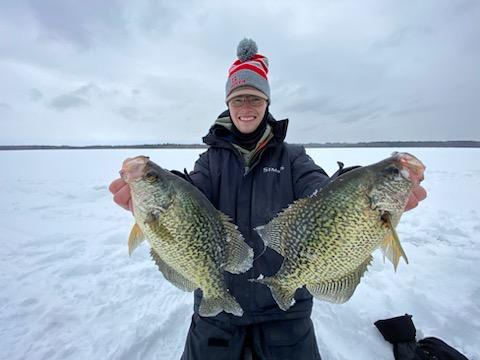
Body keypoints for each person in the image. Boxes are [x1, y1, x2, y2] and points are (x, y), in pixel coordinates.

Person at [109, 39, 427, 360]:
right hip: (218, 301)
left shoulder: (293, 157)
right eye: (238, 100)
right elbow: (194, 197)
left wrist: (354, 193)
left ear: (267, 103)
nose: (246, 107)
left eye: (255, 99)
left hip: (286, 307)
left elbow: (319, 190)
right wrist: (162, 191)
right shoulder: (211, 161)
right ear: (228, 105)